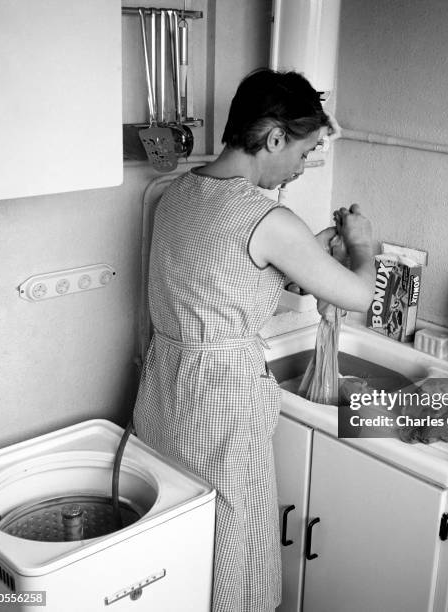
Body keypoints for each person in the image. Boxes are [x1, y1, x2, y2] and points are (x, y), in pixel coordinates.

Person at [133, 68, 375, 612]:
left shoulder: (178, 193)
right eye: (305, 150)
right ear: (272, 138)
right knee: (234, 540)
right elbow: (359, 295)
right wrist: (361, 245)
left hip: (164, 389)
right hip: (221, 399)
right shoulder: (267, 217)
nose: (301, 166)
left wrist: (308, 252)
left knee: (179, 529)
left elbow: (230, 270)